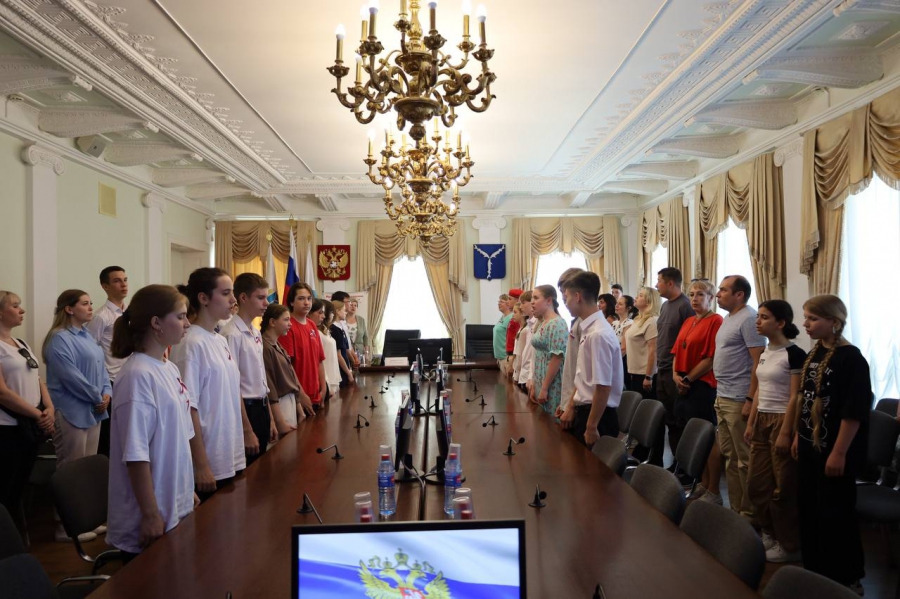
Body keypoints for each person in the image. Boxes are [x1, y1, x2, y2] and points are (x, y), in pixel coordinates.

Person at [106, 285, 198, 560]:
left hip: (173, 497)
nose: (187, 323)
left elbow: (179, 436)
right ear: (156, 323)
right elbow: (136, 454)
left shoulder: (168, 367)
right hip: (150, 511)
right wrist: (150, 514)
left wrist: (187, 489)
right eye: (180, 316)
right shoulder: (137, 375)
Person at [793, 295, 870, 593]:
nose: (806, 324)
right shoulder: (815, 353)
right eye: (806, 317)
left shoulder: (852, 359)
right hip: (810, 448)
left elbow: (854, 413)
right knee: (809, 511)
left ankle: (847, 578)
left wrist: (838, 453)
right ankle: (816, 573)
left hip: (836, 451)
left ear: (834, 322)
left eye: (813, 319)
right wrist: (798, 436)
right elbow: (805, 401)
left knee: (836, 515)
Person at [170, 268, 248, 502]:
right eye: (225, 293)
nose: (233, 300)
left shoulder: (219, 339)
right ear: (203, 298)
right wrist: (201, 465)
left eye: (232, 293)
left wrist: (246, 431)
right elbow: (189, 408)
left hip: (228, 450)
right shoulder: (191, 343)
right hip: (209, 456)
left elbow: (231, 392)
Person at [43, 289, 111, 542]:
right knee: (70, 469)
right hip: (71, 409)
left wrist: (106, 392)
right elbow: (70, 376)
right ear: (69, 309)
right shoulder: (59, 338)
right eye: (84, 303)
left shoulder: (86, 335)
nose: (90, 307)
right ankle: (65, 527)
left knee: (86, 468)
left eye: (91, 303)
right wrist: (97, 396)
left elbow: (102, 368)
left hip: (94, 409)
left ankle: (86, 520)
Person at [743, 299, 804, 564]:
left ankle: (788, 544)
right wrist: (750, 422)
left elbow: (795, 397)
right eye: (758, 316)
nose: (758, 321)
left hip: (782, 420)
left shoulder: (795, 354)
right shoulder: (767, 351)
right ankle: (768, 531)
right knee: (757, 484)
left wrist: (786, 432)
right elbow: (759, 390)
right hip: (762, 420)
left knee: (783, 487)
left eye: (764, 317)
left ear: (780, 323)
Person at [0, 291, 55, 534]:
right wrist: (37, 414)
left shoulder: (21, 344)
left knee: (19, 487)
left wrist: (49, 408)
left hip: (31, 425)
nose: (21, 310)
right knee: (6, 488)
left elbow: (37, 378)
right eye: (15, 306)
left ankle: (15, 538)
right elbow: (2, 393)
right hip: (8, 428)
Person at [713, 275, 767, 517]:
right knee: (730, 457)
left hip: (739, 399)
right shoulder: (729, 317)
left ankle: (751, 515)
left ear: (739, 295)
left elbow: (758, 362)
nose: (718, 294)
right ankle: (736, 512)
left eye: (723, 290)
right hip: (723, 395)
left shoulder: (748, 319)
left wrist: (750, 399)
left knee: (745, 460)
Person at [671, 279, 724, 502]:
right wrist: (676, 376)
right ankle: (702, 482)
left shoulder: (716, 320)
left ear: (711, 298)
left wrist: (687, 379)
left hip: (701, 384)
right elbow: (676, 352)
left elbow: (711, 358)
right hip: (683, 382)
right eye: (692, 294)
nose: (694, 299)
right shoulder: (689, 321)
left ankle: (714, 489)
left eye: (700, 294)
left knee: (707, 438)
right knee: (693, 435)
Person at [221, 274, 277, 466]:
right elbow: (233, 386)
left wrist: (270, 418)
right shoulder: (231, 334)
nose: (266, 303)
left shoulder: (255, 332)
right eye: (260, 298)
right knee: (250, 469)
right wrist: (246, 429)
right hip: (246, 409)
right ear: (243, 298)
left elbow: (261, 380)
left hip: (261, 407)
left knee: (263, 466)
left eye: (266, 297)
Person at [561, 271, 622, 447]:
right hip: (586, 410)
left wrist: (591, 426)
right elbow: (583, 376)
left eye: (567, 297)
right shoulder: (589, 328)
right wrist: (571, 405)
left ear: (577, 297)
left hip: (597, 416)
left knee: (590, 465)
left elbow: (603, 386)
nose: (565, 303)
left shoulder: (598, 334)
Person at [654, 267, 694, 467]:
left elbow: (688, 342)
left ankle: (683, 466)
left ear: (670, 283)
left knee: (680, 421)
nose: (656, 285)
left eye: (659, 281)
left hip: (675, 371)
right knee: (669, 419)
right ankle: (675, 464)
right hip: (661, 369)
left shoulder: (685, 306)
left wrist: (680, 373)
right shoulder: (665, 306)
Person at [87, 265, 128, 457]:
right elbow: (90, 352)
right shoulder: (101, 317)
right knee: (108, 435)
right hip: (110, 380)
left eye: (125, 280)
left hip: (128, 377)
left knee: (125, 431)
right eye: (117, 281)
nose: (123, 284)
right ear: (105, 286)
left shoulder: (129, 314)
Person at [261, 303, 314, 435]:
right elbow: (270, 386)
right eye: (286, 320)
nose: (290, 324)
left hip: (290, 402)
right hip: (280, 405)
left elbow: (291, 377)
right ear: (272, 322)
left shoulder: (277, 344)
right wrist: (279, 421)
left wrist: (299, 409)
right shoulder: (265, 347)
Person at [279, 283, 327, 409]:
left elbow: (319, 360)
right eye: (301, 298)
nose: (306, 303)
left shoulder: (312, 325)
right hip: (299, 398)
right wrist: (301, 394)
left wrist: (323, 389)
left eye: (309, 298)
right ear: (291, 302)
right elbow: (287, 366)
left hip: (316, 395)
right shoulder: (288, 326)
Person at [530, 285, 568, 418]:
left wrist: (545, 388)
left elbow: (556, 358)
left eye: (536, 298)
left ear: (549, 300)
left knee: (550, 424)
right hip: (541, 380)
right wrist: (535, 383)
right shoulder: (543, 322)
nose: (532, 302)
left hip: (552, 383)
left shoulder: (557, 323)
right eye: (532, 298)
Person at [555, 268, 585, 425]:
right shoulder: (577, 321)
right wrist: (565, 402)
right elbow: (571, 366)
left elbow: (584, 374)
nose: (563, 300)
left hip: (580, 404)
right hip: (572, 400)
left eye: (564, 294)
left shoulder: (587, 326)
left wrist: (570, 406)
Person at [624, 287, 660, 397]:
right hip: (634, 372)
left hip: (644, 374)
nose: (636, 297)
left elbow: (653, 350)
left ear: (649, 301)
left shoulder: (652, 321)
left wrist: (649, 376)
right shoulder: (637, 319)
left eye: (640, 295)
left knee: (644, 404)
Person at [311, 300, 341, 399]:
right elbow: (320, 359)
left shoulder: (325, 330)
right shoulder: (317, 332)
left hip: (333, 376)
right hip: (327, 377)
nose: (323, 316)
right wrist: (326, 382)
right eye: (320, 312)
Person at [330, 300, 355, 387]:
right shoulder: (334, 329)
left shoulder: (340, 327)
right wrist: (348, 373)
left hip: (345, 367)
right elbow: (339, 355)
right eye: (344, 310)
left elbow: (345, 349)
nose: (346, 312)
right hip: (341, 369)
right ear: (337, 311)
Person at [515, 291, 536, 394]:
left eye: (523, 303)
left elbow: (533, 354)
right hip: (525, 374)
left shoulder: (537, 324)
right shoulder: (529, 324)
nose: (521, 307)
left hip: (530, 375)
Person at [492, 294, 513, 375]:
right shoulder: (503, 317)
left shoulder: (511, 318)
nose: (499, 303)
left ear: (508, 303)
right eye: (498, 301)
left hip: (506, 358)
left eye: (501, 302)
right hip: (500, 358)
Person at [345, 297, 369, 366]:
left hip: (360, 352)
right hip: (347, 352)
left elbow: (365, 337)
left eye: (355, 305)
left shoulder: (361, 320)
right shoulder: (343, 319)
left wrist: (366, 353)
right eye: (351, 305)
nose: (353, 307)